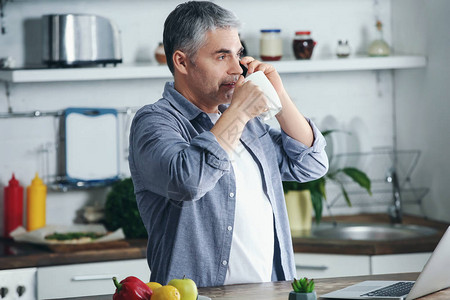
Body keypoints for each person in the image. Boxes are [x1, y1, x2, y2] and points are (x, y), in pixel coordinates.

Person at [128, 1, 328, 287]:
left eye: (238, 54)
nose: (237, 69)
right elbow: (188, 181)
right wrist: (241, 111)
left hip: (271, 291)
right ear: (182, 62)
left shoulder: (246, 124)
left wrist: (279, 94)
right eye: (222, 57)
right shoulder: (154, 122)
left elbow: (311, 164)